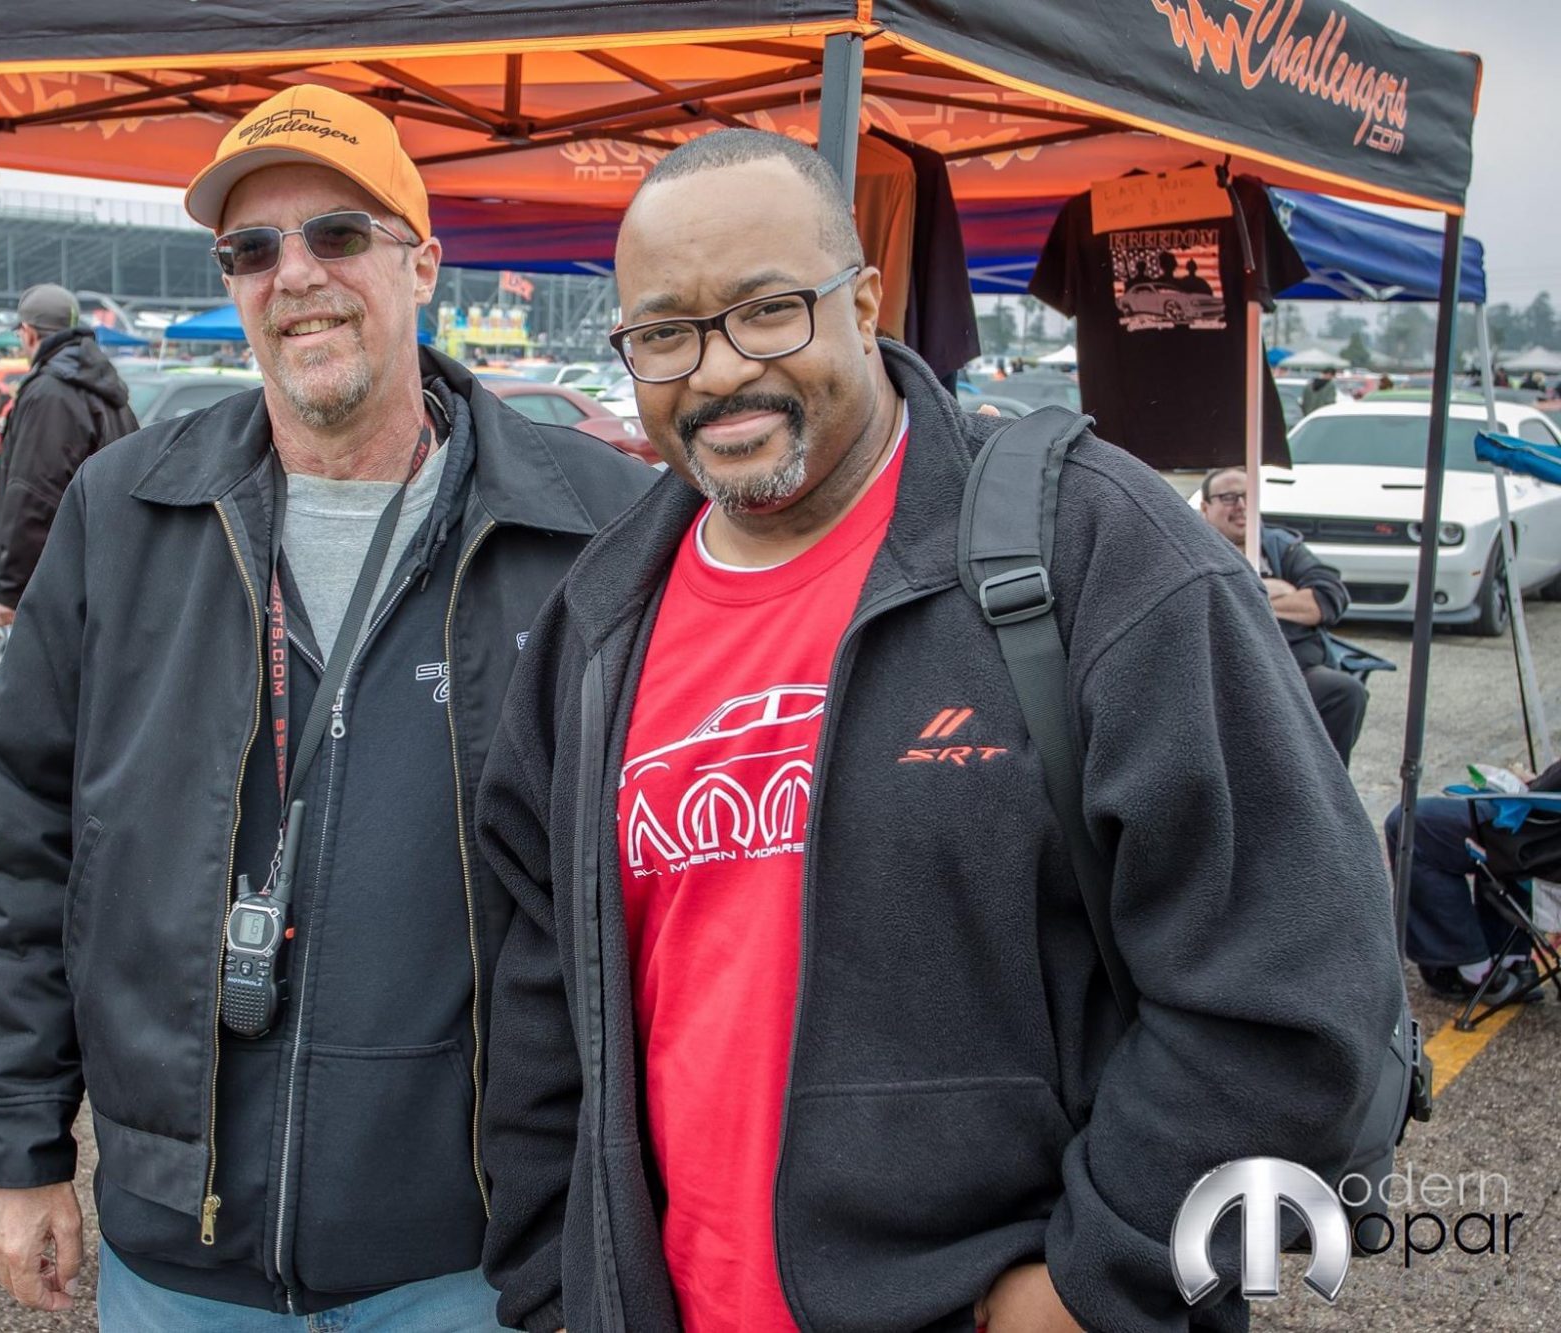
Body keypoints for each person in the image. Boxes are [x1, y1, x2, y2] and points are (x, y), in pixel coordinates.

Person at [475, 129, 1404, 1333]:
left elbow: (1298, 994)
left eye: (765, 310)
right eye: (663, 332)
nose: (713, 374)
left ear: (863, 303)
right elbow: (544, 1016)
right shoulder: (596, 625)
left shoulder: (1093, 556)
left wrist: (1092, 1285)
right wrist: (557, 1290)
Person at [0, 83, 651, 1328]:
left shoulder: (592, 521)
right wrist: (19, 1147)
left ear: (421, 263)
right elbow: (22, 849)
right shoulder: (126, 510)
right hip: (177, 1255)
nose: (297, 275)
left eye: (337, 235)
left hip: (469, 1257)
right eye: (252, 248)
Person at [0, 284, 137, 627]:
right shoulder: (103, 384)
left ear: (29, 333)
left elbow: (33, 494)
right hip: (99, 574)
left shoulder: (50, 392)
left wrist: (12, 590)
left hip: (56, 586)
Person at [1198, 466, 1367, 764]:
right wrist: (1270, 591)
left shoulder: (1281, 547)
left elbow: (1326, 599)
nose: (1241, 506)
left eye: (1248, 496)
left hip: (1297, 668)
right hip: (1225, 675)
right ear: (1205, 508)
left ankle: (1325, 797)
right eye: (1228, 497)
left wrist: (1247, 597)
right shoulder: (1194, 551)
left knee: (1346, 692)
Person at [1388, 795, 1548, 1006]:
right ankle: (1510, 956)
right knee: (1503, 813)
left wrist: (1534, 788)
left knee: (1409, 823)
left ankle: (1472, 970)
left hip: (1543, 831)